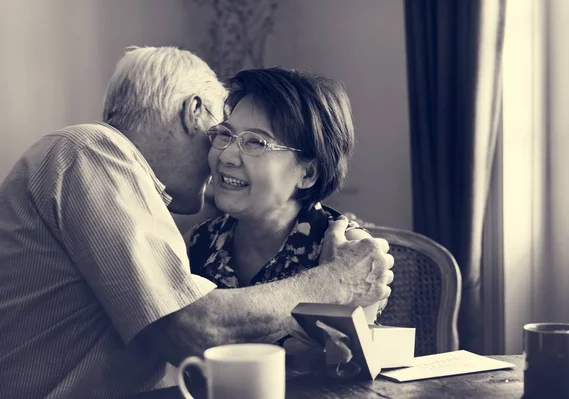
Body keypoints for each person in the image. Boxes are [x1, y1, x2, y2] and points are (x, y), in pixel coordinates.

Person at [0, 46, 394, 399]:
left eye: (254, 142)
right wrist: (336, 282)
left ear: (307, 173)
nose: (221, 155)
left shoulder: (336, 240)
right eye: (220, 134)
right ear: (194, 113)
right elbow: (194, 329)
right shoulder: (90, 151)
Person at [187, 67, 385, 320]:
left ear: (308, 174)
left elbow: (352, 357)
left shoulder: (348, 255)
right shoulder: (198, 243)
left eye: (255, 142)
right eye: (226, 135)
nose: (226, 156)